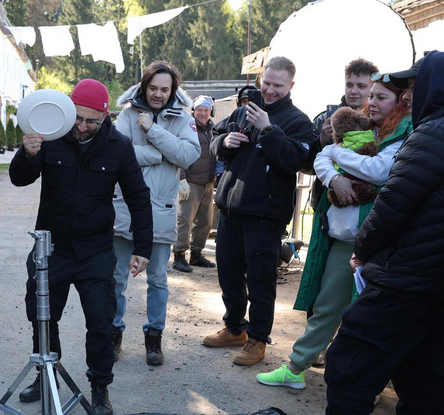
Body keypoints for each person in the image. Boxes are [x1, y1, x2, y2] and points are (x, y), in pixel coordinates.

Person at [274, 51, 444, 415]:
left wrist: (362, 254)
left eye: (412, 86)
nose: (407, 94)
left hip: (404, 278)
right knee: (424, 376)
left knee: (349, 364)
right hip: (434, 287)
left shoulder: (430, 135)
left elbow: (394, 203)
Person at [257, 72, 411, 390]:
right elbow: (320, 158)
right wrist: (335, 179)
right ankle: (296, 367)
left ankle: (369, 386)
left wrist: (339, 154)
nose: (372, 102)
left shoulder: (405, 134)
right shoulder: (363, 128)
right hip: (344, 240)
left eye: (381, 97)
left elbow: (380, 171)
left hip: (383, 244)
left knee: (372, 317)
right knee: (327, 303)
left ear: (400, 103)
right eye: (372, 96)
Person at [9, 79, 153, 415]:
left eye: (91, 121)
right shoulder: (52, 137)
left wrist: (142, 247)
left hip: (95, 251)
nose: (82, 126)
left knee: (101, 323)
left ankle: (100, 389)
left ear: (106, 116)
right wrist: (27, 154)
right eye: (77, 117)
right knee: (43, 318)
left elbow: (138, 197)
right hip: (51, 249)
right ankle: (47, 379)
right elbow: (20, 178)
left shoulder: (118, 146)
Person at [202, 56, 314, 366]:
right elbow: (213, 142)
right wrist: (225, 141)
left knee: (261, 281)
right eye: (266, 83)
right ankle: (235, 328)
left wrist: (268, 130)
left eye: (278, 85)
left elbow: (295, 161)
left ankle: (257, 339)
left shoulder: (297, 121)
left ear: (291, 85)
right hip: (229, 208)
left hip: (265, 216)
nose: (270, 90)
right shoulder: (241, 111)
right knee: (228, 274)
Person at [112, 61, 200, 366]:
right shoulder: (126, 115)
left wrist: (153, 130)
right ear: (144, 86)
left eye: (165, 89)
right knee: (116, 278)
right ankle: (114, 336)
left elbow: (188, 155)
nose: (158, 94)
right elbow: (115, 151)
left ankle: (154, 338)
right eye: (153, 88)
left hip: (161, 212)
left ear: (173, 90)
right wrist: (158, 154)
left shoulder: (183, 119)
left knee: (159, 280)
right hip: (125, 211)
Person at [305, 58, 378, 213]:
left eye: (361, 86)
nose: (353, 91)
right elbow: (305, 166)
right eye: (349, 84)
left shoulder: (380, 120)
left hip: (367, 204)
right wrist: (322, 141)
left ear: (373, 88)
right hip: (327, 204)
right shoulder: (324, 119)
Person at [173, 94, 218, 272]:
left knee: (206, 222)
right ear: (194, 111)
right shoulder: (187, 128)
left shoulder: (213, 129)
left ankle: (197, 255)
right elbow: (178, 152)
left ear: (210, 112)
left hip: (208, 182)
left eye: (206, 110)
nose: (202, 113)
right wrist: (181, 177)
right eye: (199, 109)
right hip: (190, 182)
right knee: (185, 220)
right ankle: (179, 256)